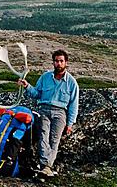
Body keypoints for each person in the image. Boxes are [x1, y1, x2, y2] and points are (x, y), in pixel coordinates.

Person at [17, 49, 79, 178]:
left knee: (54, 139)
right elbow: (37, 94)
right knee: (43, 135)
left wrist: (70, 123)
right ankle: (46, 167)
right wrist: (27, 86)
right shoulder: (45, 77)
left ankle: (45, 166)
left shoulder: (72, 83)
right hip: (43, 110)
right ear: (53, 62)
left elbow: (73, 104)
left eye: (61, 61)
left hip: (60, 112)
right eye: (56, 61)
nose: (58, 64)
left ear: (66, 63)